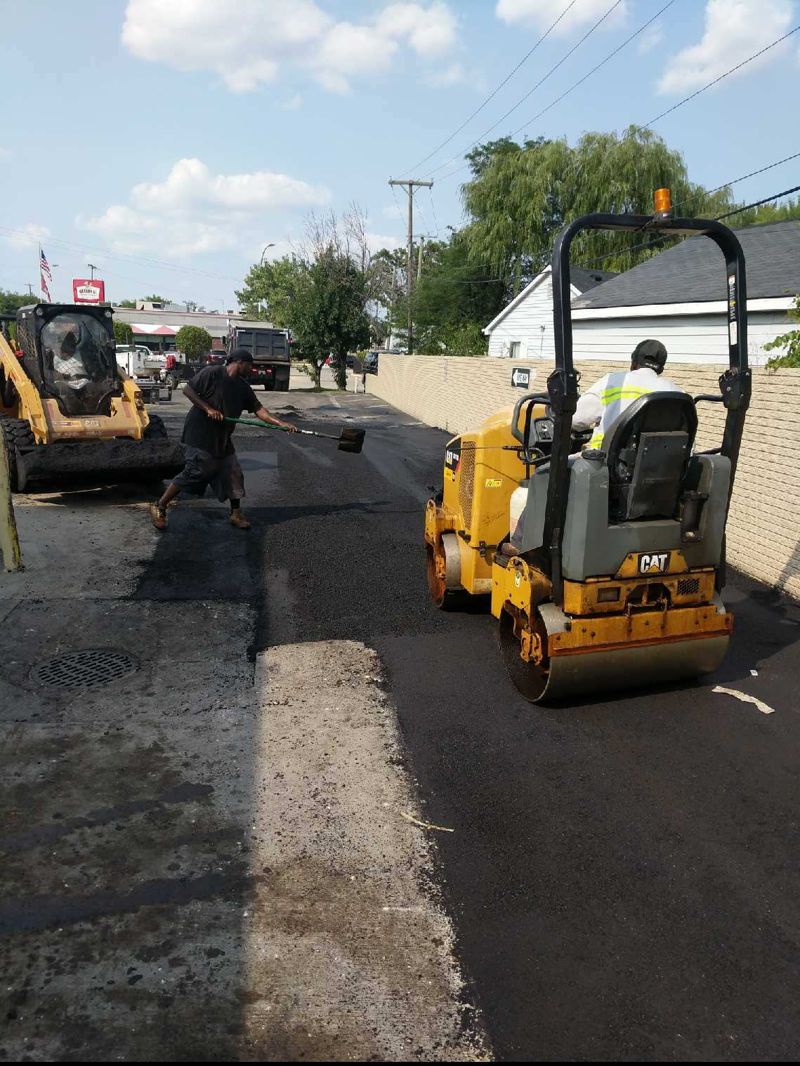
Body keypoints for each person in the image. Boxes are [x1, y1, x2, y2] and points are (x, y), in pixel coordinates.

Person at [149, 347, 296, 531]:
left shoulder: (243, 387)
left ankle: (235, 513)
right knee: (196, 471)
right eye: (249, 365)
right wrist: (207, 408)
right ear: (239, 363)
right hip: (199, 433)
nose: (251, 369)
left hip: (222, 437)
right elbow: (188, 390)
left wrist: (280, 423)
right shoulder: (213, 373)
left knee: (233, 471)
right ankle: (160, 505)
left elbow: (259, 410)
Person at [572, 339, 686, 451]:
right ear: (661, 369)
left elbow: (576, 420)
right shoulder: (679, 394)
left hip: (606, 465)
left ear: (633, 362)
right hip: (662, 467)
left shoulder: (611, 382)